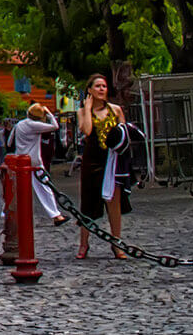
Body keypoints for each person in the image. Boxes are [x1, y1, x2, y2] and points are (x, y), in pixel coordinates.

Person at [77, 73, 128, 259]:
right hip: (92, 162)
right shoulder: (83, 112)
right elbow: (88, 130)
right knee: (88, 203)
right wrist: (88, 108)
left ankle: (117, 243)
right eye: (97, 86)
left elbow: (124, 133)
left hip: (112, 161)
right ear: (89, 90)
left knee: (114, 203)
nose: (101, 89)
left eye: (104, 86)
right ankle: (83, 244)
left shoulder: (116, 110)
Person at [14, 103, 69, 227]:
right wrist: (49, 113)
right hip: (34, 161)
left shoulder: (19, 124)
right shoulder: (35, 125)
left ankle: (7, 213)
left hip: (20, 159)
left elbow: (10, 140)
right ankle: (55, 215)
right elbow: (55, 126)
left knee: (16, 188)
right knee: (44, 188)